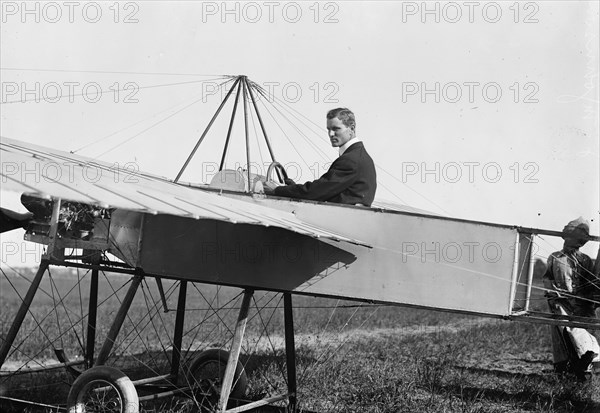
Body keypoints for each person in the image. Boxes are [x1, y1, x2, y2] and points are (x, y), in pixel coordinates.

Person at [264, 108, 377, 207]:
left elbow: (316, 192)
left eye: (336, 129)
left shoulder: (351, 159)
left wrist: (277, 190)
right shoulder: (359, 155)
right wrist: (293, 188)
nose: (331, 134)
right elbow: (326, 189)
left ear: (351, 128)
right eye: (328, 129)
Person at [543, 217, 599, 380]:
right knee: (563, 332)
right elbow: (547, 277)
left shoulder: (585, 260)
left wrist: (587, 297)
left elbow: (590, 282)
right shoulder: (555, 257)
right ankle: (564, 366)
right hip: (560, 302)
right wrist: (552, 290)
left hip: (581, 304)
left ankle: (587, 361)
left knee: (581, 331)